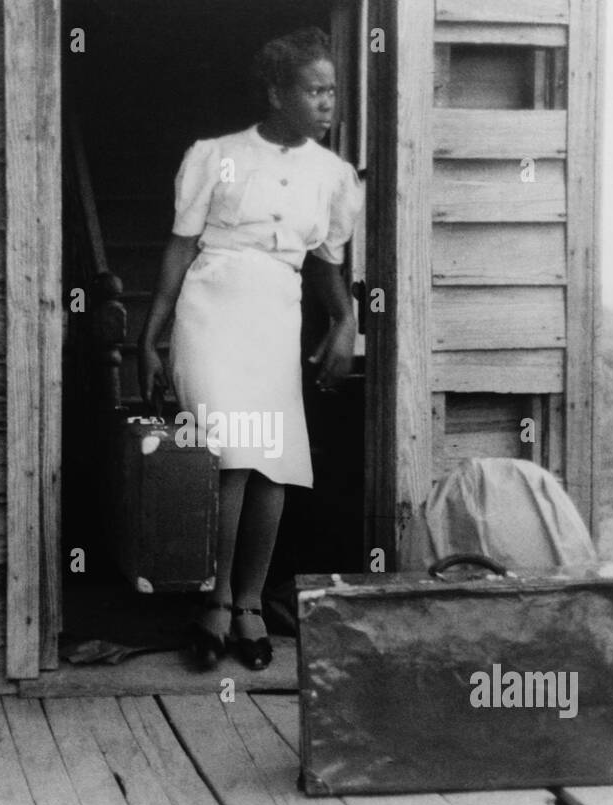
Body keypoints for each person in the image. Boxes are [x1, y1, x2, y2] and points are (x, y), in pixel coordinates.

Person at [138, 26, 364, 671]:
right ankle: (212, 602)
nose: (328, 103)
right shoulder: (216, 155)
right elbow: (182, 244)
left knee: (274, 464)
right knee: (231, 454)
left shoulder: (333, 175)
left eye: (332, 92)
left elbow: (326, 263)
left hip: (274, 316)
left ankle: (250, 604)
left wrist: (344, 323)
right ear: (275, 92)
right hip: (210, 309)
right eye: (314, 90)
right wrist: (149, 333)